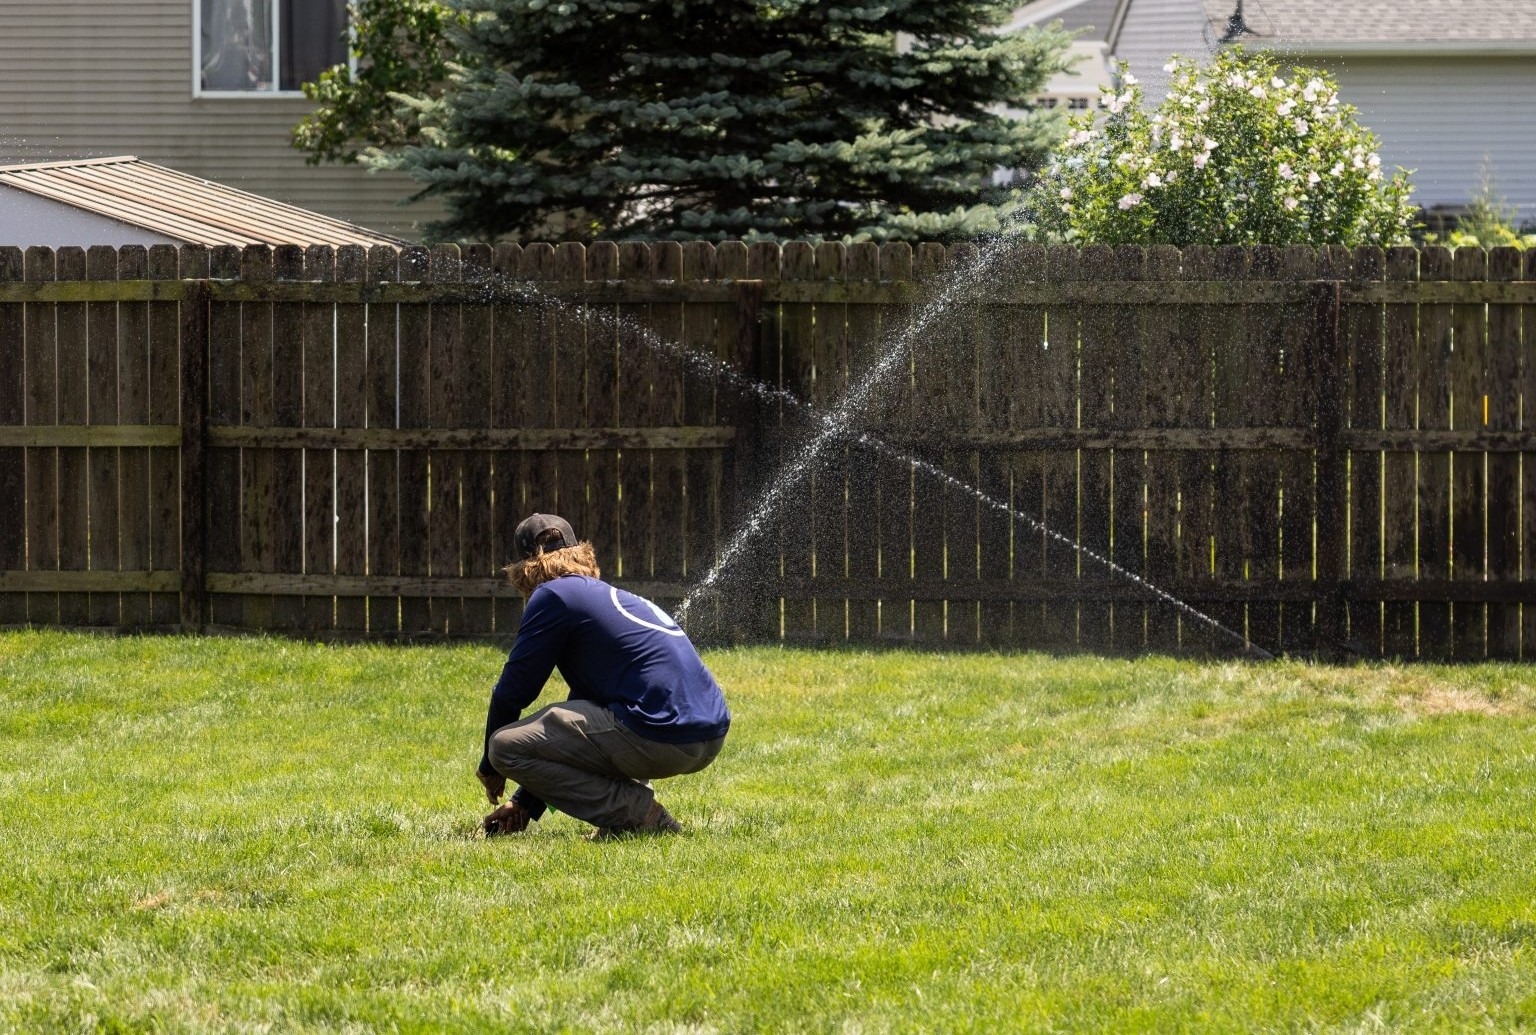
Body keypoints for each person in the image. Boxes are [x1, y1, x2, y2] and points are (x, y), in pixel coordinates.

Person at [477, 513, 731, 840]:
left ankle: (637, 813)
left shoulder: (552, 595)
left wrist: (490, 766)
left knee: (505, 747)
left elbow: (512, 693)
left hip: (661, 734)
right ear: (580, 554)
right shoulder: (601, 597)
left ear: (524, 569)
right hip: (707, 735)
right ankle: (622, 817)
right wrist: (525, 802)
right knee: (586, 721)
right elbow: (583, 716)